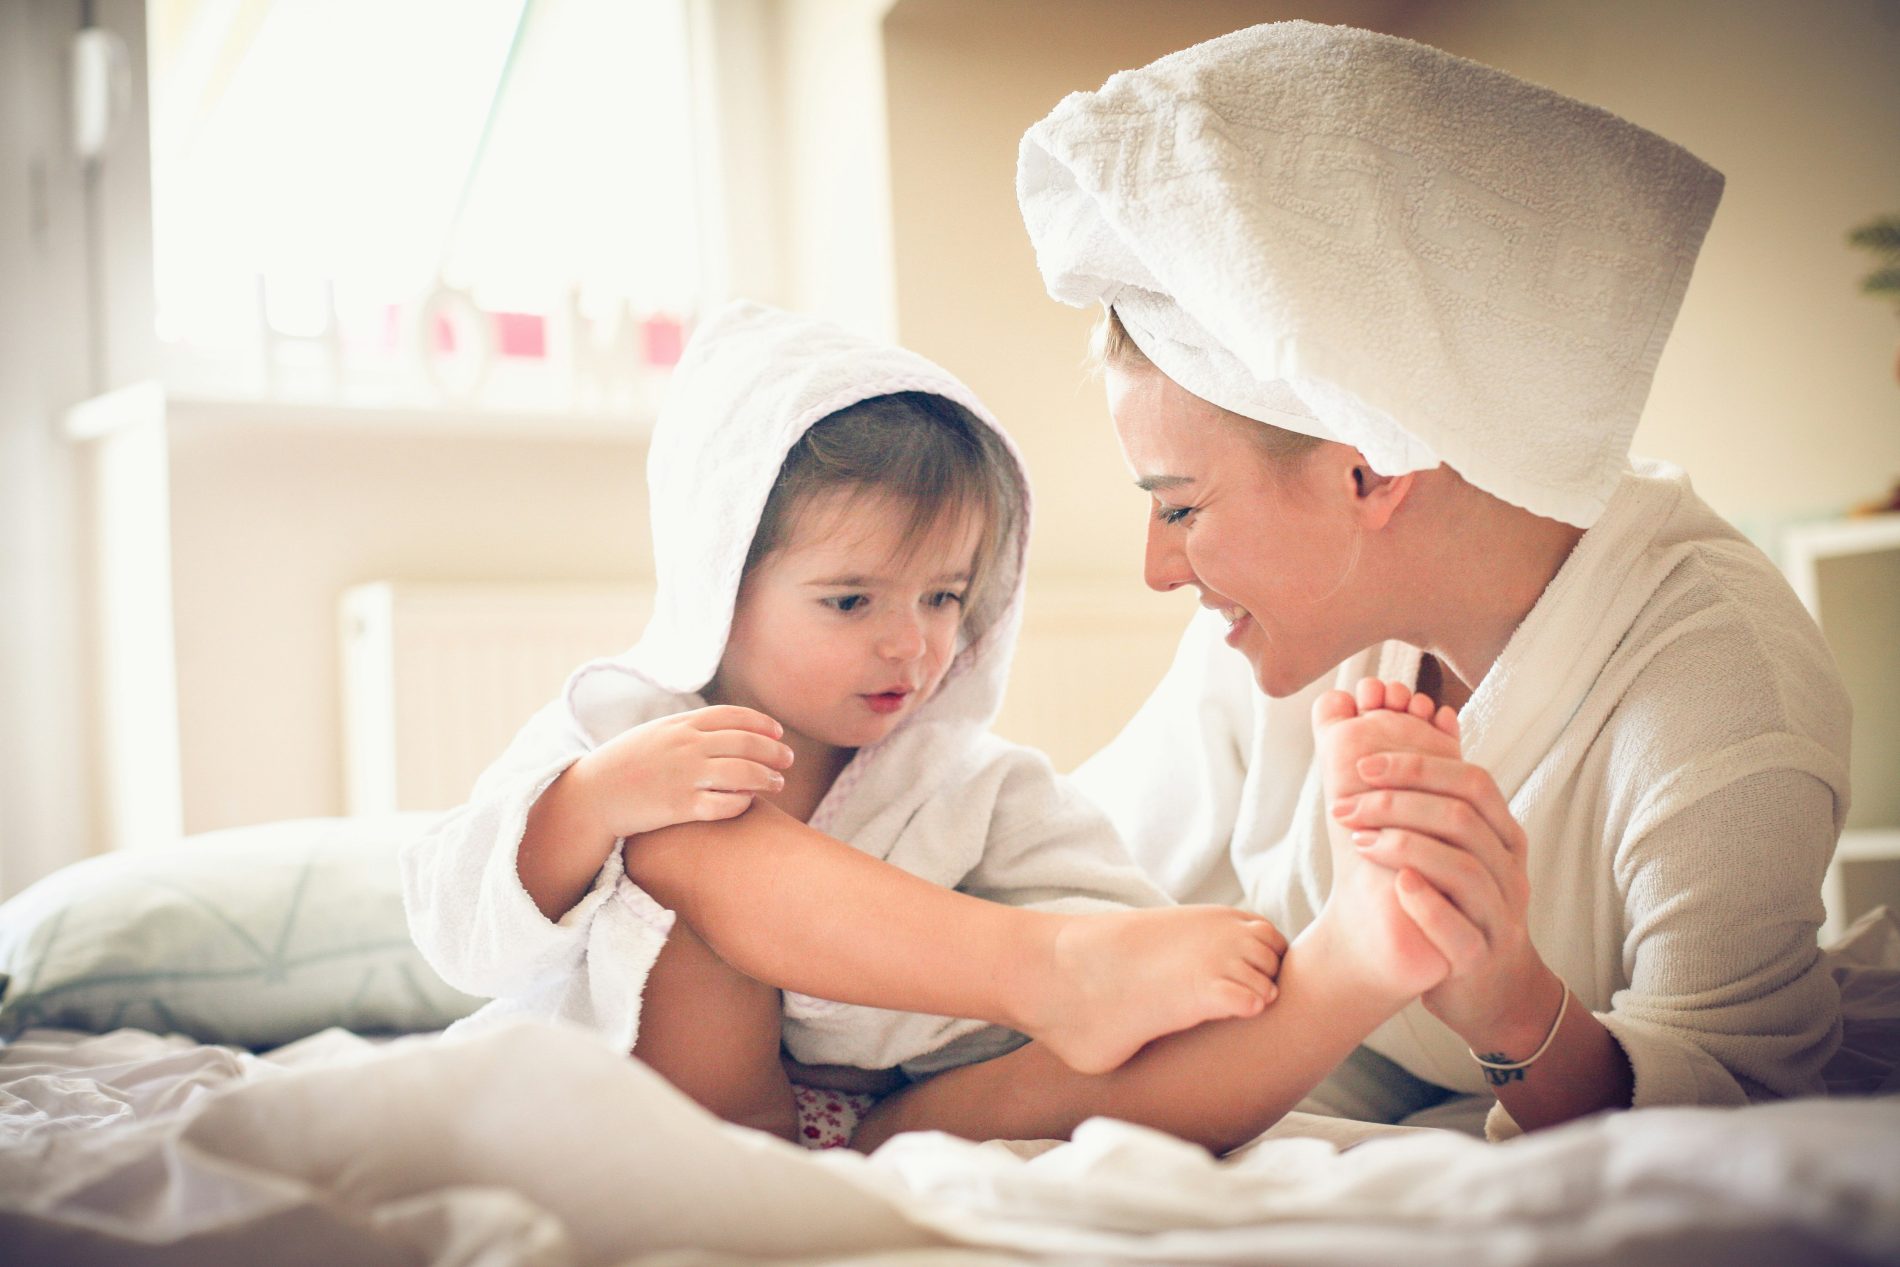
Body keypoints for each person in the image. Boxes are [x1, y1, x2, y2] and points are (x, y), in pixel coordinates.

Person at [900, 18, 1843, 1142]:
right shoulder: (1282, 636)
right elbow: (1052, 873)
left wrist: (1510, 1001)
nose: (1158, 567)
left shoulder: (1720, 695)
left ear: (1375, 467)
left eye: (1182, 507)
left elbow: (1748, 1139)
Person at [401, 301, 1292, 1144]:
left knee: (1115, 1063)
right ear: (721, 582)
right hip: (657, 1119)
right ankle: (1026, 977)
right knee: (676, 835)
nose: (911, 643)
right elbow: (453, 920)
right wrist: (591, 803)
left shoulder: (970, 783)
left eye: (945, 596)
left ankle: (1316, 976)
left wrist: (1076, 974)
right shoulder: (621, 732)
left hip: (876, 1130)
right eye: (851, 599)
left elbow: (1120, 935)